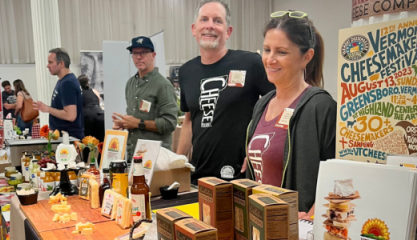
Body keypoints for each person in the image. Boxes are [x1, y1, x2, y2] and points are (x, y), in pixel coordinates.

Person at [245, 10, 336, 218]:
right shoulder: (263, 104)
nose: (270, 59)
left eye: (281, 52)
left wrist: (311, 218)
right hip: (261, 224)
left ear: (306, 57)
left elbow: (337, 178)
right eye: (267, 50)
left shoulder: (321, 107)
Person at [177, 0, 275, 183]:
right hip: (199, 178)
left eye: (218, 21)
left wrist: (260, 150)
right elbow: (189, 121)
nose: (210, 26)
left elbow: (278, 104)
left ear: (228, 31)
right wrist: (177, 162)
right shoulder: (186, 72)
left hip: (241, 177)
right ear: (194, 29)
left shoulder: (250, 63)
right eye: (204, 19)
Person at [112, 36, 178, 158]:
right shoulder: (130, 84)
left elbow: (170, 123)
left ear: (153, 55)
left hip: (156, 158)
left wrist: (138, 123)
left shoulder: (163, 85)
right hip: (134, 154)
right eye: (135, 53)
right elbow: (135, 117)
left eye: (144, 52)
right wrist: (125, 123)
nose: (139, 56)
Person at [33, 48, 84, 140]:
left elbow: (70, 116)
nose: (47, 66)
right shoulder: (63, 81)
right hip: (63, 137)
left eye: (50, 62)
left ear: (61, 63)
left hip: (68, 139)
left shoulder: (67, 83)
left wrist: (47, 109)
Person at [78, 75, 105, 162]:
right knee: (101, 141)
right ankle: (101, 162)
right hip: (99, 114)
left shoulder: (79, 93)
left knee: (87, 140)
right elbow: (98, 101)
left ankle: (87, 162)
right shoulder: (94, 91)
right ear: (87, 83)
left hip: (86, 116)